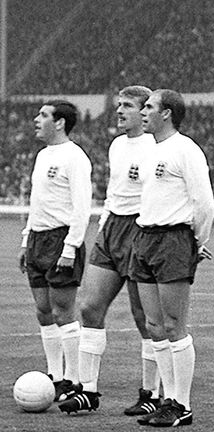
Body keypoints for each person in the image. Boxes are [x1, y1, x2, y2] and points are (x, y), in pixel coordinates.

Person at [57, 86, 160, 415]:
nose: (119, 111)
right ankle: (88, 390)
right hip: (111, 227)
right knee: (89, 308)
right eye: (119, 105)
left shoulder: (156, 147)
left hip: (140, 229)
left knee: (144, 318)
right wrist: (103, 227)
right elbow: (116, 193)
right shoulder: (117, 145)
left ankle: (151, 393)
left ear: (145, 111)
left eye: (127, 106)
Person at [129, 89, 214, 428]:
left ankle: (183, 404)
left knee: (173, 325)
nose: (144, 112)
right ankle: (166, 400)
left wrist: (195, 242)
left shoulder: (185, 149)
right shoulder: (151, 151)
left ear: (166, 113)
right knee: (153, 326)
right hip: (145, 237)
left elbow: (204, 202)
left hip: (173, 239)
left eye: (149, 107)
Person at [18, 100, 92, 403]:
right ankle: (55, 375)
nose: (37, 120)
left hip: (61, 240)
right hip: (37, 239)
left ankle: (73, 380)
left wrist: (70, 247)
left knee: (63, 312)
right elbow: (37, 203)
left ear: (60, 122)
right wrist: (26, 240)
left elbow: (82, 207)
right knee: (43, 310)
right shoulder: (42, 155)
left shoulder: (75, 157)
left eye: (43, 115)